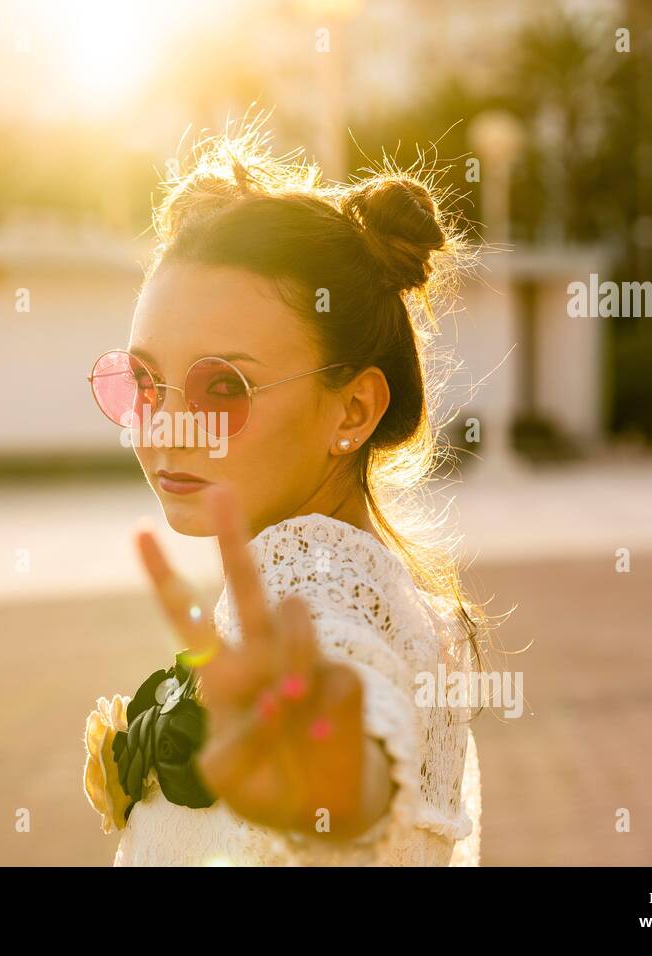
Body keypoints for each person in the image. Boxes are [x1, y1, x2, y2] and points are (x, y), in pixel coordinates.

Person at [82, 123, 485, 866]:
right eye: (142, 383)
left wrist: (339, 791)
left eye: (224, 386)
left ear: (353, 410)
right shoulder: (359, 581)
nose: (167, 428)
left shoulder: (316, 583)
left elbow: (358, 702)